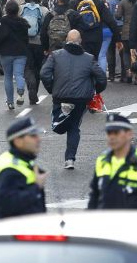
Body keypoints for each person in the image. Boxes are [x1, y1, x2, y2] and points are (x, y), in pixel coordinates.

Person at [41, 29, 107, 169]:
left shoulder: (56, 55)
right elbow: (101, 77)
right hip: (80, 98)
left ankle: (64, 116)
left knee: (58, 127)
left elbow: (44, 73)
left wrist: (52, 89)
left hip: (61, 96)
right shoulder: (88, 58)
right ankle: (70, 159)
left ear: (66, 40)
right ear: (80, 41)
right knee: (74, 128)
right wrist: (95, 90)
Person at [0, 117, 47, 220]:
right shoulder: (9, 169)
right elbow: (7, 205)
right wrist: (36, 187)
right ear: (17, 141)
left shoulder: (21, 159)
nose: (39, 139)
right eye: (33, 136)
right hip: (17, 233)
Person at [0, 0, 30, 110]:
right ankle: (20, 91)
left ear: (6, 10)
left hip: (5, 52)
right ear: (18, 10)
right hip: (21, 52)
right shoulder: (23, 22)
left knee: (7, 76)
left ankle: (10, 102)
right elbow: (26, 39)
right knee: (19, 75)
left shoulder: (2, 22)